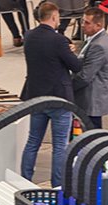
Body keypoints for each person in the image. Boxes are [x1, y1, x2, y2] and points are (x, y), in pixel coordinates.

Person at [19, 2, 83, 188]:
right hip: (59, 99)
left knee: (33, 141)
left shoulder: (29, 36)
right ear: (54, 17)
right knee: (60, 146)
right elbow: (76, 66)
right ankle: (57, 186)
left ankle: (25, 181)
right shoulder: (59, 40)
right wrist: (72, 52)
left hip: (36, 97)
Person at [73, 7, 108, 130]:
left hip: (91, 99)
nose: (82, 25)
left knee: (89, 138)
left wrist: (67, 86)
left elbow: (86, 76)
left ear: (98, 25)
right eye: (82, 21)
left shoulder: (99, 45)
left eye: (86, 22)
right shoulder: (96, 39)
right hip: (89, 98)